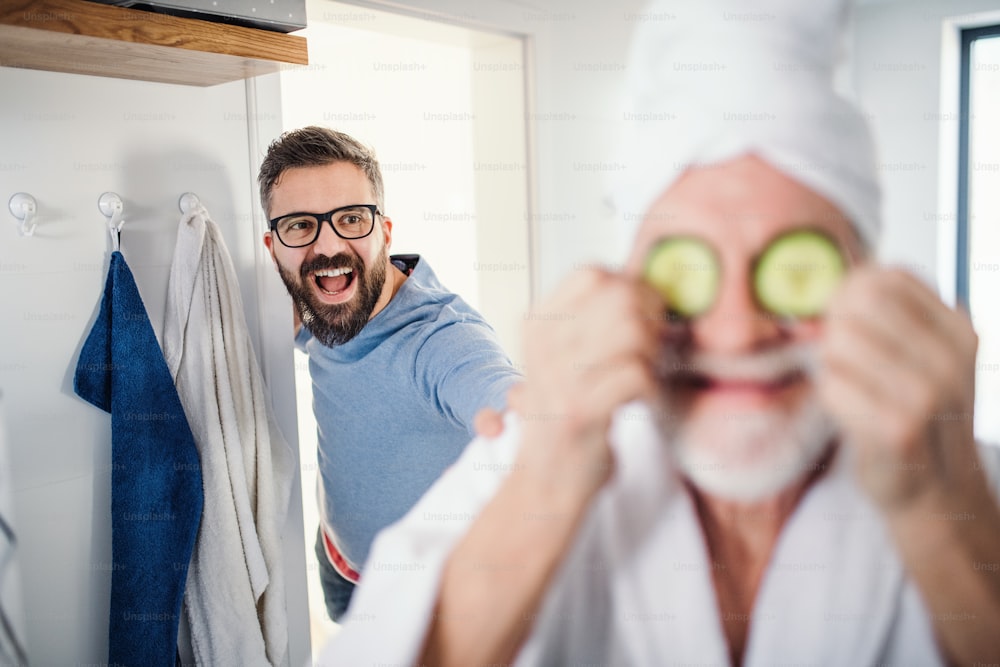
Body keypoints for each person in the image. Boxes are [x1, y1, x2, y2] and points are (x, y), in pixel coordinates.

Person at [319, 0, 1000, 664]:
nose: (736, 331)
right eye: (687, 272)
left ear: (868, 278)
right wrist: (546, 487)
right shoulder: (529, 460)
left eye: (794, 269)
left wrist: (940, 510)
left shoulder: (968, 484)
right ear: (623, 281)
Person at [257, 126, 521, 621]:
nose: (328, 245)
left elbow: (511, 402)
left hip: (426, 594)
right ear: (273, 246)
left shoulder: (440, 340)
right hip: (339, 557)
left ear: (385, 230)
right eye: (300, 226)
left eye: (351, 218)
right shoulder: (323, 305)